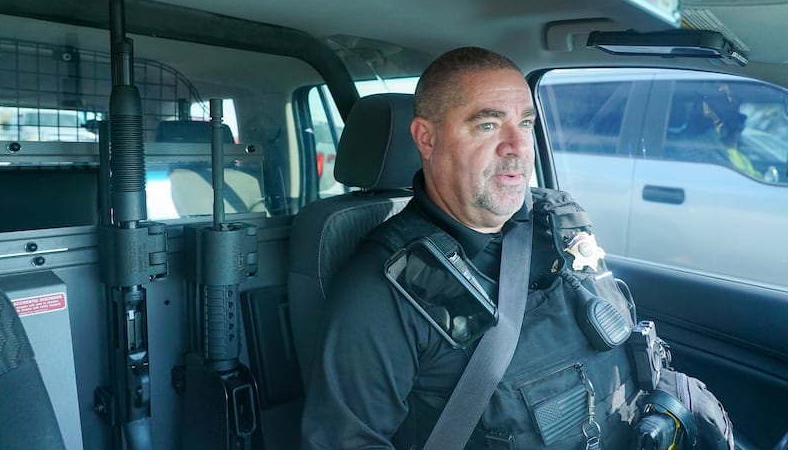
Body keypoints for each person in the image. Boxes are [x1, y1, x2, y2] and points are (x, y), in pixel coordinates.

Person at [300, 47, 730, 449]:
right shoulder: (383, 289)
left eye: (525, 123)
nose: (519, 147)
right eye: (487, 124)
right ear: (426, 139)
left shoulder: (560, 219)